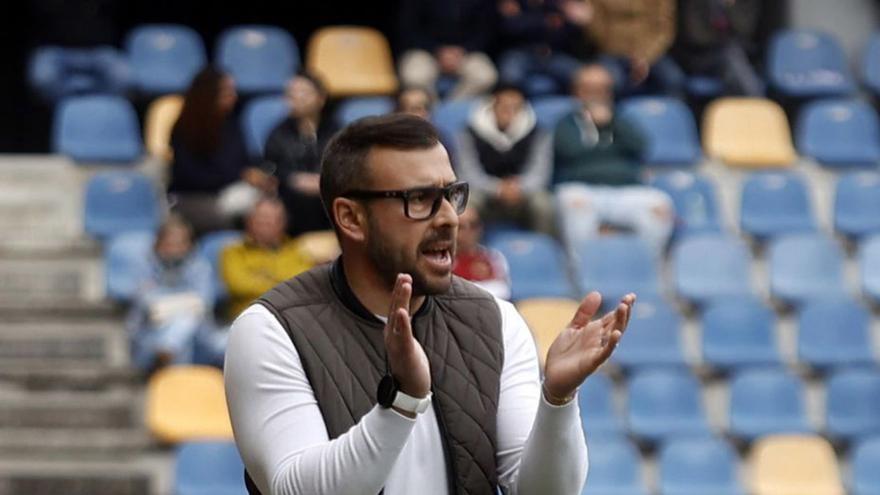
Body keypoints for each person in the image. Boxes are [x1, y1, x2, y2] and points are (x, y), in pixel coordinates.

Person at [224, 113, 636, 495]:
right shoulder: (271, 329)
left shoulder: (495, 320)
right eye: (419, 198)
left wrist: (558, 400)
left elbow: (539, 492)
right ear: (351, 218)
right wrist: (401, 402)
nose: (449, 218)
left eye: (451, 195)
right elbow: (293, 488)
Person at [553, 64, 674, 254]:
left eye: (602, 89)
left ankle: (644, 270)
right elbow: (569, 151)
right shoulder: (567, 121)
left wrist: (612, 123)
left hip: (626, 190)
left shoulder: (622, 119)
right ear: (577, 92)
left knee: (659, 205)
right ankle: (585, 276)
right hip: (583, 189)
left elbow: (640, 146)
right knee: (575, 206)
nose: (596, 95)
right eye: (589, 89)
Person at [168, 66, 276, 235]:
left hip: (231, 192)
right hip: (194, 198)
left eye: (233, 90)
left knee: (271, 205)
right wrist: (241, 175)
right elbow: (190, 176)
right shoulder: (185, 127)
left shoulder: (231, 123)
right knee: (227, 216)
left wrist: (259, 176)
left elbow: (244, 160)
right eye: (227, 91)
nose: (234, 96)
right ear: (209, 94)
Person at [126, 215, 227, 373]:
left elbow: (203, 303)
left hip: (199, 337)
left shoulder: (200, 266)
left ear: (189, 245)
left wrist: (169, 305)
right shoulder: (144, 266)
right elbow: (152, 308)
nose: (175, 249)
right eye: (169, 243)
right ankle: (170, 359)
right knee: (186, 320)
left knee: (230, 340)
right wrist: (187, 304)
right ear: (158, 244)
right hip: (150, 339)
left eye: (180, 243)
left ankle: (168, 348)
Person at [456, 83, 556, 236]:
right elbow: (467, 172)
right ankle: (465, 255)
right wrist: (497, 189)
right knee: (466, 204)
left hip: (523, 195)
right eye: (504, 107)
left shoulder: (538, 132)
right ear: (492, 106)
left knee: (543, 204)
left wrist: (520, 187)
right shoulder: (469, 131)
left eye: (515, 108)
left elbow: (540, 172)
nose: (509, 113)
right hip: (485, 194)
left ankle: (543, 253)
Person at [264, 73, 338, 236]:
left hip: (328, 194)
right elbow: (272, 169)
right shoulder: (278, 133)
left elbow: (345, 166)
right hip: (292, 198)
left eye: (303, 92)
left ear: (321, 98)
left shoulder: (337, 130)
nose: (295, 98)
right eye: (290, 94)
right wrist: (294, 179)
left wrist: (322, 181)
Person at [220, 197, 314, 320]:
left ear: (283, 223)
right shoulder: (232, 251)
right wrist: (281, 283)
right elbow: (238, 285)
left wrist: (261, 277)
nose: (264, 223)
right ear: (248, 222)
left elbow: (302, 286)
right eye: (260, 218)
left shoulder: (297, 251)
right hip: (246, 319)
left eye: (271, 218)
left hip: (289, 321)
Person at [397, 0, 499, 99]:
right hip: (426, 51)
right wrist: (436, 50)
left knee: (485, 76)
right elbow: (408, 28)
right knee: (413, 76)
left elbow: (486, 30)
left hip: (466, 52)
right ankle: (429, 108)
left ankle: (449, 109)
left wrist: (464, 50)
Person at [584, 0, 685, 96]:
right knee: (611, 81)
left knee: (673, 79)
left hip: (652, 52)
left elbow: (664, 28)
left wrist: (645, 56)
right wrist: (622, 53)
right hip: (612, 52)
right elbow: (596, 27)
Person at [496, 0, 594, 96]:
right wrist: (544, 22)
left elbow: (565, 33)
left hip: (552, 54)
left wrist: (575, 22)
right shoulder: (514, 3)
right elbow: (510, 28)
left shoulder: (556, 4)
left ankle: (584, 110)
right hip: (520, 52)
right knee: (510, 74)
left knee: (585, 77)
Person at [672, 0, 765, 96]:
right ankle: (755, 101)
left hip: (739, 52)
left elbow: (745, 29)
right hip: (698, 55)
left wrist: (727, 7)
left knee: (734, 55)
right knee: (730, 56)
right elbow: (694, 36)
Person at [452, 206, 511, 300]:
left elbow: (503, 290)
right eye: (461, 226)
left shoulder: (493, 257)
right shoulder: (443, 260)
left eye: (473, 225)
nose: (468, 231)